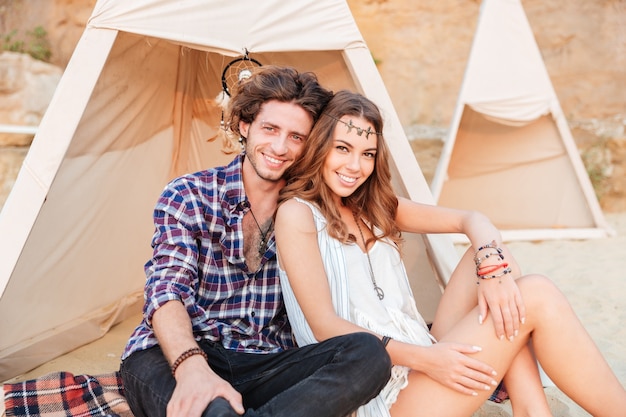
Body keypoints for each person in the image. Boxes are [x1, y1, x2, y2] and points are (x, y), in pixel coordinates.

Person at [275, 90, 626, 417]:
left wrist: (491, 269)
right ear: (320, 147)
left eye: (366, 154)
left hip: (420, 356)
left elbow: (472, 220)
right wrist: (429, 359)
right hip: (373, 392)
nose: (355, 166)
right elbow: (325, 327)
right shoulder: (298, 213)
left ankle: (532, 411)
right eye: (342, 148)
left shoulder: (374, 205)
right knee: (534, 295)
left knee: (499, 267)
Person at [119, 67, 392, 417]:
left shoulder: (312, 210)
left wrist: (474, 225)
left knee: (368, 354)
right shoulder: (188, 194)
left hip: (266, 361)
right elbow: (166, 291)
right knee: (214, 410)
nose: (280, 147)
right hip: (177, 354)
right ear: (245, 126)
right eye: (270, 129)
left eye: (297, 137)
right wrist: (192, 369)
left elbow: (389, 209)